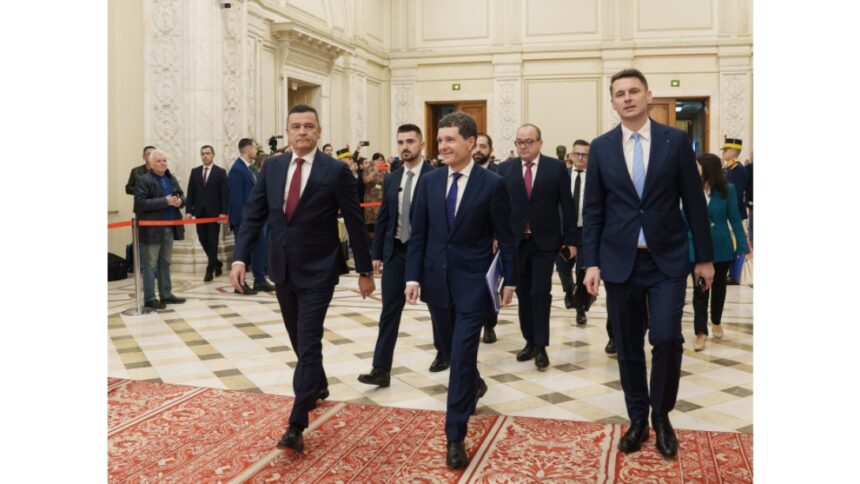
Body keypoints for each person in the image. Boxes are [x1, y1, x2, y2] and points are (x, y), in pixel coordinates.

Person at [582, 68, 714, 459]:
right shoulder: (602, 147)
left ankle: (662, 415)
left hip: (666, 260)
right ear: (612, 101)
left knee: (668, 338)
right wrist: (591, 262)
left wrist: (704, 258)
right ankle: (637, 417)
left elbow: (694, 202)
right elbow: (593, 210)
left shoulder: (675, 141)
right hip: (620, 262)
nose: (627, 98)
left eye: (634, 91)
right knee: (627, 345)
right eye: (619, 93)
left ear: (648, 95)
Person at [230, 104, 375, 453]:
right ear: (288, 131)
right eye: (296, 126)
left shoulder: (335, 170)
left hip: (320, 268)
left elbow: (354, 220)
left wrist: (365, 270)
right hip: (282, 267)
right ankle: (318, 384)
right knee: (298, 337)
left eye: (309, 126)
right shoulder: (272, 166)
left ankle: (296, 423)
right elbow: (254, 214)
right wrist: (240, 257)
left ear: (319, 131)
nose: (302, 131)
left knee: (308, 340)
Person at [405, 112, 516, 469]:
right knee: (452, 353)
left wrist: (510, 279)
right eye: (440, 140)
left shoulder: (492, 184)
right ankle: (475, 384)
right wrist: (412, 277)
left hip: (473, 286)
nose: (443, 146)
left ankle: (455, 435)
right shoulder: (429, 181)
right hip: (436, 283)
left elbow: (507, 237)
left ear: (470, 142)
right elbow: (419, 235)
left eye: (450, 139)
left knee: (463, 355)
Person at [357, 124, 442, 388]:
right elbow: (384, 218)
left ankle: (445, 352)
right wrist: (377, 253)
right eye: (401, 142)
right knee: (389, 311)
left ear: (422, 145)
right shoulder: (392, 178)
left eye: (410, 141)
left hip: (427, 253)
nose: (405, 146)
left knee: (438, 307)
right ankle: (381, 369)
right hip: (396, 251)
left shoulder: (436, 176)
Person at [499, 123, 576, 370]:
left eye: (528, 141)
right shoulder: (505, 169)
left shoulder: (555, 168)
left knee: (540, 292)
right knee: (523, 293)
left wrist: (571, 239)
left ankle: (542, 345)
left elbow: (567, 205)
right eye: (519, 142)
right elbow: (499, 208)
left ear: (540, 143)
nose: (523, 146)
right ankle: (530, 341)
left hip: (545, 242)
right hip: (516, 243)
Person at [687, 153, 749, 351]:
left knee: (719, 286)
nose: (695, 168)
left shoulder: (727, 190)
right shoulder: (690, 188)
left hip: (721, 246)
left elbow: (735, 219)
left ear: (707, 168)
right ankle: (700, 332)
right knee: (700, 289)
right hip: (696, 245)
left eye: (698, 165)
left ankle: (716, 321)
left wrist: (743, 247)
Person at [134, 149, 187, 310]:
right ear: (150, 164)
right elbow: (140, 204)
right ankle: (150, 298)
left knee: (165, 262)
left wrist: (180, 201)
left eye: (164, 160)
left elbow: (182, 196)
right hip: (152, 229)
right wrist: (165, 201)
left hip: (169, 226)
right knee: (150, 264)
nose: (163, 163)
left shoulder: (170, 177)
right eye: (158, 161)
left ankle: (166, 294)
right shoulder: (143, 180)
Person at [228, 138, 274, 294]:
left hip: (256, 219)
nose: (256, 151)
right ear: (248, 150)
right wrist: (245, 223)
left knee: (260, 248)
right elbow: (236, 199)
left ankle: (260, 280)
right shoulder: (237, 169)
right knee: (242, 253)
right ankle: (239, 284)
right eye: (254, 149)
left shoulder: (250, 169)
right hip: (245, 220)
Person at [184, 145, 229, 282]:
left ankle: (210, 270)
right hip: (199, 213)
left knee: (213, 241)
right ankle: (217, 263)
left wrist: (224, 212)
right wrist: (188, 211)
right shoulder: (195, 171)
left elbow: (224, 194)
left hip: (215, 214)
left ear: (213, 155)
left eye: (208, 153)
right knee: (202, 239)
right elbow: (190, 192)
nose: (205, 156)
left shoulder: (220, 172)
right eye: (203, 153)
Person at [471, 132, 499, 343]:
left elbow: (503, 211)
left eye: (483, 146)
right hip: (466, 239)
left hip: (490, 241)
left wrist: (497, 236)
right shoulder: (463, 171)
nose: (478, 150)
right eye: (476, 146)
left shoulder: (498, 175)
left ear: (491, 150)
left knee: (488, 284)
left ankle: (489, 324)